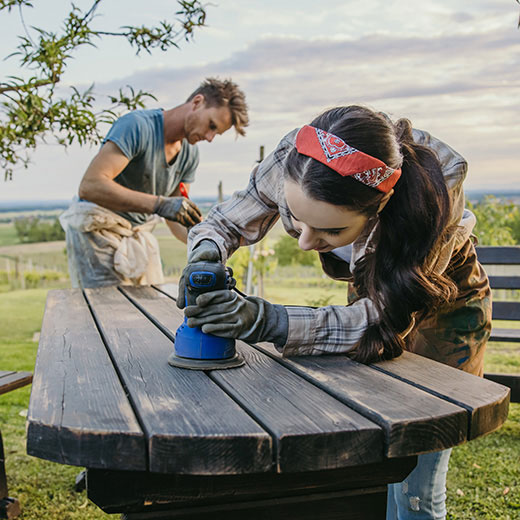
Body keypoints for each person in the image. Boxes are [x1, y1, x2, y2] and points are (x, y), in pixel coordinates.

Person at [177, 105, 491, 519]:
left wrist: (269, 321)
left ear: (381, 205)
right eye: (297, 218)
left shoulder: (435, 194)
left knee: (417, 466)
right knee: (372, 455)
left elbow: (383, 320)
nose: (306, 243)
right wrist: (205, 253)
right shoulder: (303, 160)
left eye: (330, 230)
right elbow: (228, 222)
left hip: (441, 304)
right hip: (371, 296)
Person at [60, 77, 248, 288]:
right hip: (98, 233)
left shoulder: (189, 154)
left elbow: (177, 216)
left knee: (150, 305)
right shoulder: (137, 127)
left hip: (137, 235)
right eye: (211, 125)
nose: (210, 137)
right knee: (110, 311)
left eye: (216, 133)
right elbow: (90, 186)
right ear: (197, 102)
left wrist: (205, 242)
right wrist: (159, 204)